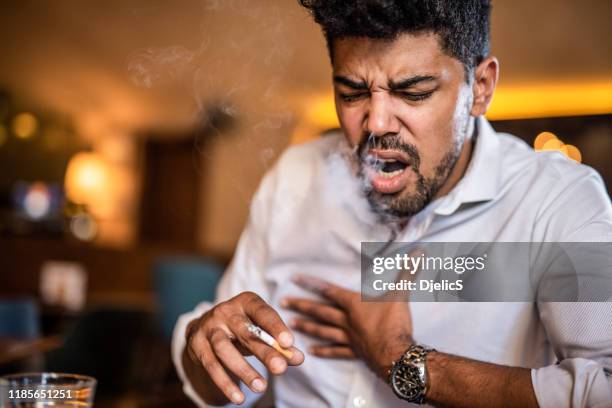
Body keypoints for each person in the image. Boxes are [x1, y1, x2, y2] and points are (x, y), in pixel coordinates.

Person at [172, 1, 612, 406]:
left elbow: (603, 388)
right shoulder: (295, 177)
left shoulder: (557, 201)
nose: (376, 124)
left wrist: (404, 361)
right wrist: (203, 340)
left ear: (480, 87)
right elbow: (228, 384)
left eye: (413, 92)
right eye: (351, 93)